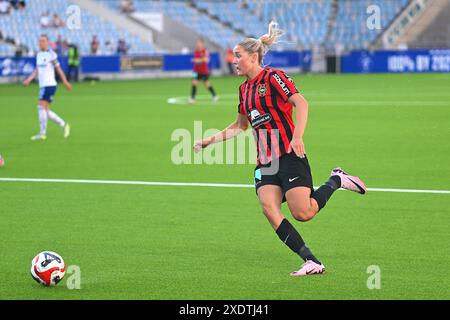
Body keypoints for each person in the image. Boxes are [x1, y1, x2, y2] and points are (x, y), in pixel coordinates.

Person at [193, 22, 367, 276]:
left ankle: (336, 180)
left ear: (254, 57)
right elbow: (240, 126)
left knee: (303, 213)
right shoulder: (243, 90)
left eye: (238, 56)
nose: (234, 61)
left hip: (288, 154)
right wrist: (209, 140)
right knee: (268, 208)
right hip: (266, 162)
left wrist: (297, 137)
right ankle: (311, 261)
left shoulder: (274, 77)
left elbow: (302, 103)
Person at [22, 34, 72, 141]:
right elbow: (37, 70)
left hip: (49, 85)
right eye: (40, 41)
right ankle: (64, 125)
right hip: (43, 85)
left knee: (40, 107)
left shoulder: (51, 54)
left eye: (43, 41)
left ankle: (42, 133)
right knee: (45, 110)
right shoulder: (39, 54)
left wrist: (65, 81)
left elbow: (58, 69)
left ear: (47, 42)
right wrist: (29, 79)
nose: (41, 43)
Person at [189, 39, 218, 103]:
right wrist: (196, 60)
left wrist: (197, 60)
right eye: (197, 43)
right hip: (195, 71)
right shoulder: (196, 51)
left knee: (206, 84)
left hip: (204, 71)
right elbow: (196, 59)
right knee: (194, 82)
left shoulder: (205, 51)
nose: (198, 44)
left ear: (202, 44)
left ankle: (214, 95)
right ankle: (192, 98)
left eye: (199, 43)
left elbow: (206, 60)